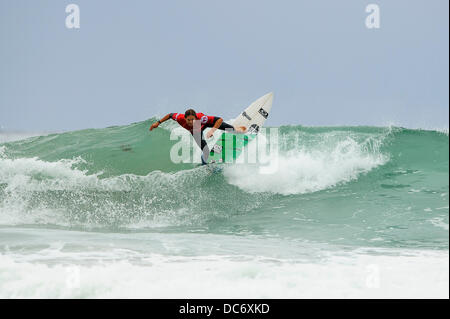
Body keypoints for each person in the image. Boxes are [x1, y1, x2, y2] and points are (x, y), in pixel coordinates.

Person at [149, 109, 246, 164]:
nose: (190, 122)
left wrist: (212, 131)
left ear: (196, 118)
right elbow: (170, 115)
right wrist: (158, 123)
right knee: (205, 151)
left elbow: (219, 119)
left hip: (205, 124)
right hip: (196, 131)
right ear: (185, 118)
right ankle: (207, 164)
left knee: (232, 130)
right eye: (188, 120)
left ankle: (238, 130)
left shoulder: (202, 118)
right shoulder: (180, 118)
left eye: (192, 120)